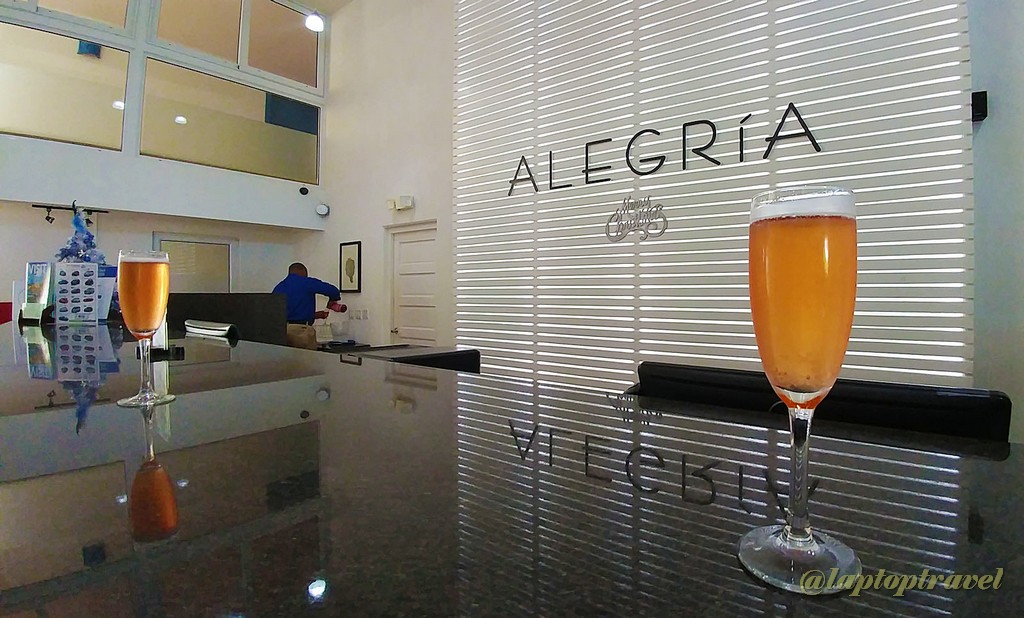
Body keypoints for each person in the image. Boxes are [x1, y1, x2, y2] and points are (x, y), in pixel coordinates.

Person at [273, 262, 346, 325]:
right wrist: (332, 300)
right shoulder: (307, 282)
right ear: (303, 271)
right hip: (302, 330)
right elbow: (333, 291)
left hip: (283, 331)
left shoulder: (278, 288)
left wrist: (315, 315)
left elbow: (290, 314)